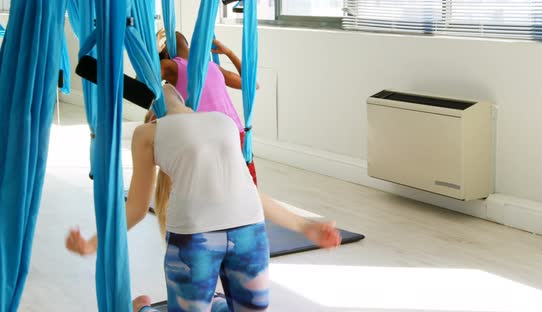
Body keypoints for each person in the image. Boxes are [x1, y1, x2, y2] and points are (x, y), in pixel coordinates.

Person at [66, 84, 342, 312]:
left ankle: (192, 306)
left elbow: (249, 191)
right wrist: (93, 243)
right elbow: (137, 207)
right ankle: (143, 310)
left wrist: (306, 226)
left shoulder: (218, 122)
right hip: (198, 237)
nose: (167, 85)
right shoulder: (151, 131)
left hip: (247, 230)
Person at [153, 29, 260, 184]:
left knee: (217, 191)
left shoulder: (170, 66)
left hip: (210, 139)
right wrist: (228, 52)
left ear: (165, 49)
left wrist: (153, 53)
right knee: (248, 189)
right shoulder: (211, 66)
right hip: (236, 133)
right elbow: (252, 84)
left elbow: (142, 87)